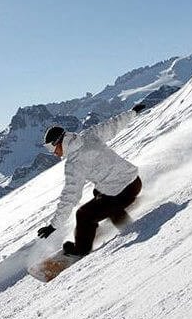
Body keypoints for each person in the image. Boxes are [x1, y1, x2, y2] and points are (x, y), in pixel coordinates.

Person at [37, 104, 146, 256]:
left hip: (120, 194)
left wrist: (53, 226)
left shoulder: (73, 164)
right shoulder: (89, 135)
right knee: (99, 192)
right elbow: (112, 126)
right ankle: (117, 217)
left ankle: (80, 250)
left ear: (59, 142)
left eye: (51, 148)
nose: (53, 153)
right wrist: (132, 113)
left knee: (83, 215)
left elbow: (70, 196)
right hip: (135, 182)